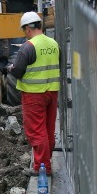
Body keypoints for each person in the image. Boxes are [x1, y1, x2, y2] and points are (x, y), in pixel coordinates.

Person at [6, 11, 61, 176]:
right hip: (52, 91)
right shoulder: (53, 44)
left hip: (34, 94)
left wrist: (10, 69)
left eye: (24, 30)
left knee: (36, 131)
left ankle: (42, 168)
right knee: (48, 129)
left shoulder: (28, 47)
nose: (25, 34)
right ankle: (46, 162)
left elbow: (18, 71)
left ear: (28, 28)